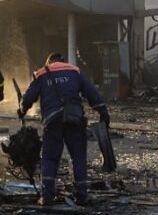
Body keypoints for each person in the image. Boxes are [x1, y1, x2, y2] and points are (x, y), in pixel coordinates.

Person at [19, 52, 109, 206]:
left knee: (49, 157)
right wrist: (103, 112)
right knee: (78, 157)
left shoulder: (41, 73)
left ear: (49, 62)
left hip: (53, 120)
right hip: (74, 118)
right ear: (62, 61)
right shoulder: (74, 70)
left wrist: (22, 109)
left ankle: (47, 196)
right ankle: (81, 195)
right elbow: (91, 92)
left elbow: (28, 98)